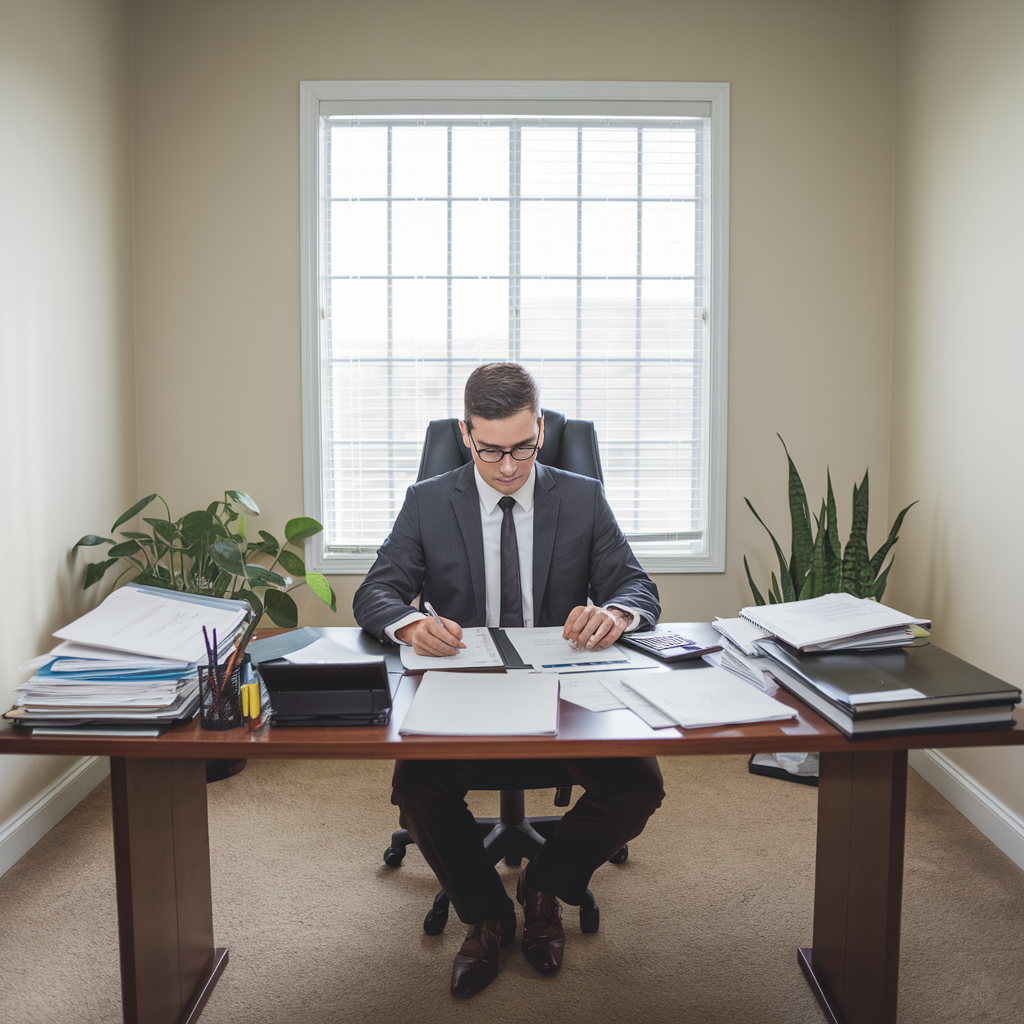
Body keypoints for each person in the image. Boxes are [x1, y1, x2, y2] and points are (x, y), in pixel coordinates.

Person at [354, 362, 664, 998]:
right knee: (417, 787)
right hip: (465, 683)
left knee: (639, 784)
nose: (507, 466)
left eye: (522, 447)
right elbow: (376, 591)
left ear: (541, 429)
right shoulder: (428, 501)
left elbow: (637, 585)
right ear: (466, 435)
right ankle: (488, 914)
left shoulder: (580, 496)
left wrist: (616, 612)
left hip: (564, 687)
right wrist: (411, 624)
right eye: (490, 449)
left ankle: (545, 885)